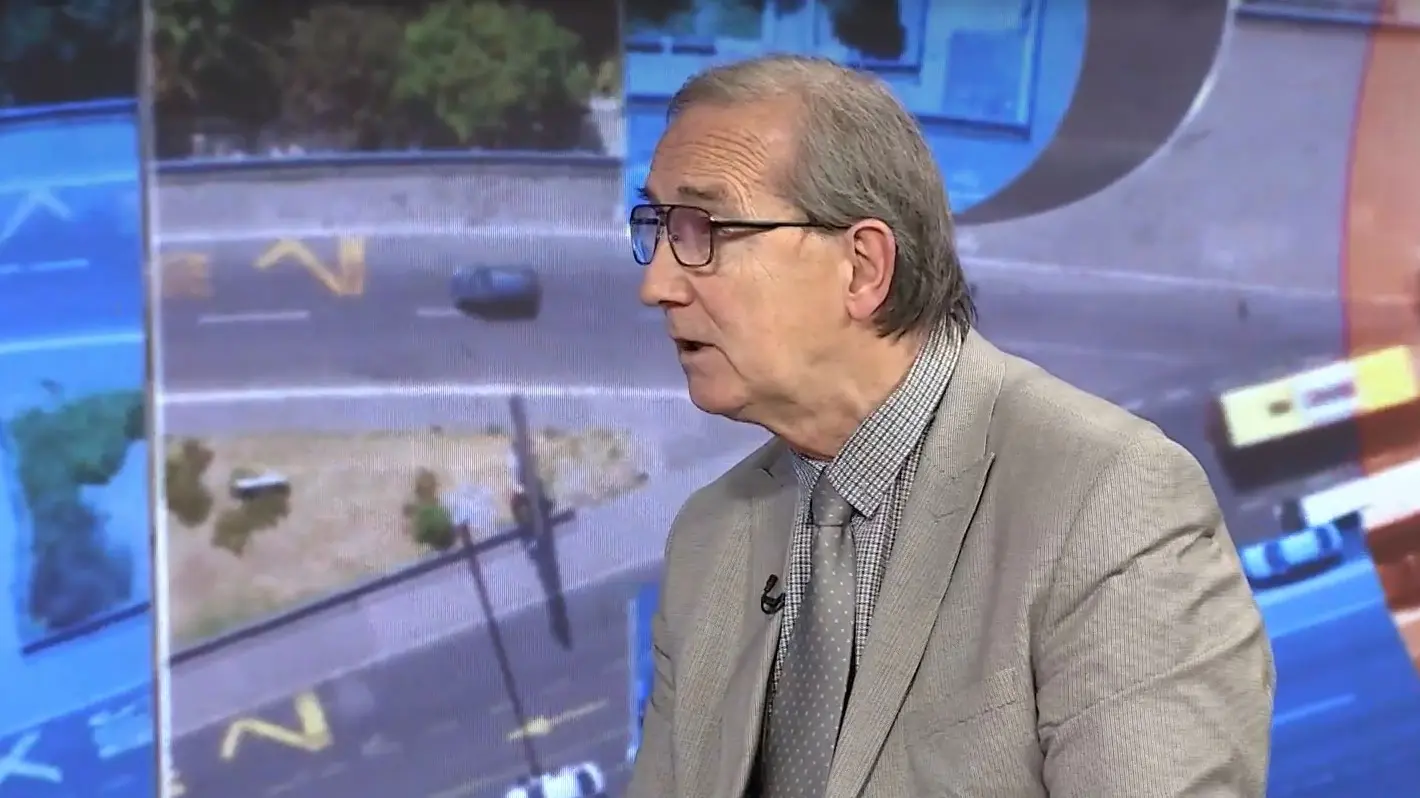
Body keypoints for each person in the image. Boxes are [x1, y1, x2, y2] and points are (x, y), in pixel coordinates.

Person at [625, 54, 1275, 798]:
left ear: (862, 267)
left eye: (702, 229)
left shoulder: (1109, 502)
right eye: (657, 227)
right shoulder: (710, 538)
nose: (657, 284)